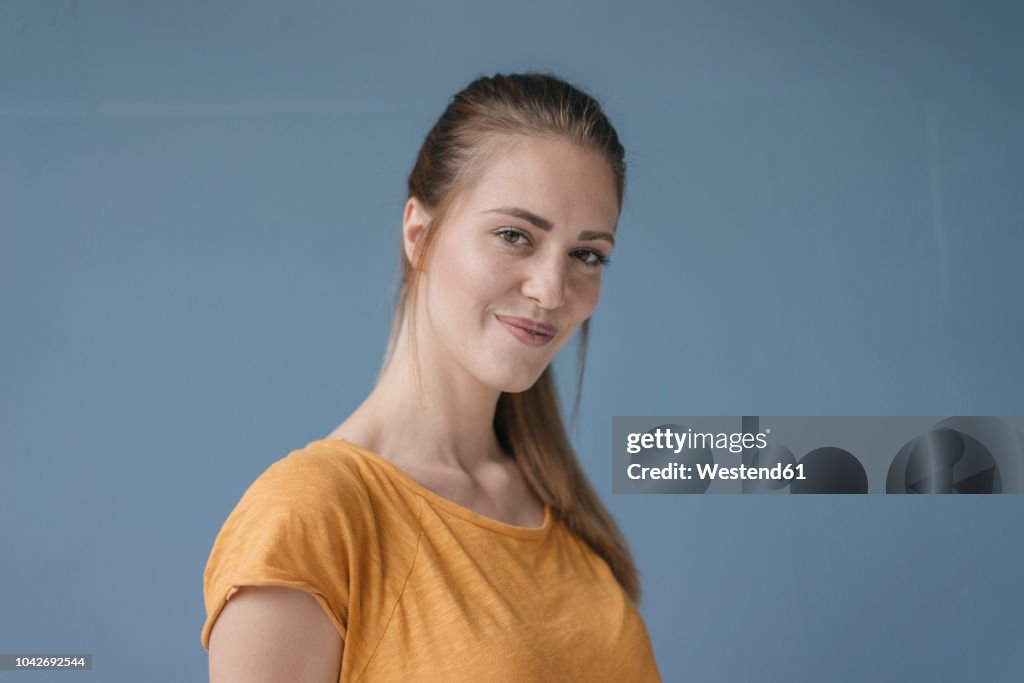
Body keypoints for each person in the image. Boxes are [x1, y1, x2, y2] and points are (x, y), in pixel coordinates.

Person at [201, 71, 662, 682]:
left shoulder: (556, 509)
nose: (551, 289)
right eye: (513, 235)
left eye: (587, 254)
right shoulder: (312, 517)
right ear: (420, 234)